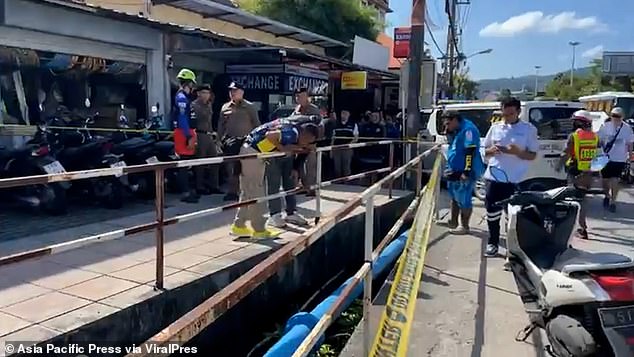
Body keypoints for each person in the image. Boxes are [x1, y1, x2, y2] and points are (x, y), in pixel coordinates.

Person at [231, 120, 319, 238]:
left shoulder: (290, 128)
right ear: (307, 135)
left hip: (251, 150)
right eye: (308, 141)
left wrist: (296, 147)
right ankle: (259, 229)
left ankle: (239, 225)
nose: (305, 144)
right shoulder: (292, 132)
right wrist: (282, 149)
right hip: (253, 154)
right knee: (257, 192)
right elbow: (270, 136)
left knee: (248, 191)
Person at [482, 97, 539, 257]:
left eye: (510, 114)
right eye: (504, 114)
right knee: (492, 213)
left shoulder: (528, 129)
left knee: (513, 216)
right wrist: (490, 151)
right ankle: (493, 243)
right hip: (494, 178)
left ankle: (512, 249)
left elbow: (533, 155)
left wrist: (518, 152)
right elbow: (483, 150)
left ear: (519, 112)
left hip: (517, 180)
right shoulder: (495, 128)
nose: (506, 117)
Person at [441, 111, 484, 234]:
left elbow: (470, 151)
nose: (447, 126)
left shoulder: (468, 130)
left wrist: (466, 171)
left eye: (448, 123)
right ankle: (453, 221)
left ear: (455, 119)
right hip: (455, 168)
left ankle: (464, 226)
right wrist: (448, 132)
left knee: (463, 198)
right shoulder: (458, 129)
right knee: (454, 196)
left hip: (465, 169)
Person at [559, 110, 599, 239]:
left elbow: (566, 153)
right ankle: (582, 227)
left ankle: (576, 228)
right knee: (583, 200)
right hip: (588, 172)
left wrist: (558, 165)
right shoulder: (594, 136)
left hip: (575, 171)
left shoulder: (575, 136)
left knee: (573, 201)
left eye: (575, 121)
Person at [219, 82, 260, 201]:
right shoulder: (225, 107)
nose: (232, 93)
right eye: (231, 90)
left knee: (246, 169)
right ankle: (232, 192)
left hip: (246, 142)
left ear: (242, 92)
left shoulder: (250, 107)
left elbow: (257, 125)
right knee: (231, 168)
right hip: (230, 142)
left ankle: (247, 192)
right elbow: (221, 125)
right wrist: (219, 140)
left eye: (235, 90)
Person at [598, 106, 634, 212]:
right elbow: (599, 141)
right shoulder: (605, 126)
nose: (616, 118)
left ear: (622, 117)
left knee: (615, 180)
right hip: (605, 157)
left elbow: (630, 143)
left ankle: (613, 202)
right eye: (613, 116)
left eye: (618, 116)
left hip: (619, 158)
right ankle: (607, 196)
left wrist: (630, 157)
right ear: (611, 116)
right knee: (604, 180)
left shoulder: (627, 128)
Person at [172, 68, 199, 204]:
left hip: (187, 132)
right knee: (184, 164)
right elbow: (182, 118)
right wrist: (189, 136)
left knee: (189, 163)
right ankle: (185, 192)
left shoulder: (186, 97)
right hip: (184, 133)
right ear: (189, 83)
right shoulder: (181, 97)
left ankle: (190, 190)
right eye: (192, 84)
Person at [191, 84, 222, 195]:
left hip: (209, 135)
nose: (206, 95)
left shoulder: (209, 105)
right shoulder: (194, 105)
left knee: (215, 160)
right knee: (201, 162)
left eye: (207, 93)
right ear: (198, 93)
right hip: (200, 134)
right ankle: (200, 186)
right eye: (203, 93)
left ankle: (214, 185)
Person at [292, 87, 321, 196]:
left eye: (301, 96)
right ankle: (303, 186)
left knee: (310, 167)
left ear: (307, 97)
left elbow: (318, 126)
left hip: (310, 144)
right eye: (297, 96)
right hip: (299, 143)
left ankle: (312, 188)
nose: (299, 98)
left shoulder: (314, 109)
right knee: (300, 166)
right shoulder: (296, 109)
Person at [331, 109, 359, 178]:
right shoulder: (336, 124)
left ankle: (347, 184)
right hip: (336, 148)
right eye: (342, 113)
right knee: (337, 167)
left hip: (347, 149)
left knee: (346, 167)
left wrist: (348, 145)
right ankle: (338, 184)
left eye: (346, 114)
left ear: (349, 115)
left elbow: (356, 138)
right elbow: (333, 138)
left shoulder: (353, 124)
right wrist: (331, 149)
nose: (344, 115)